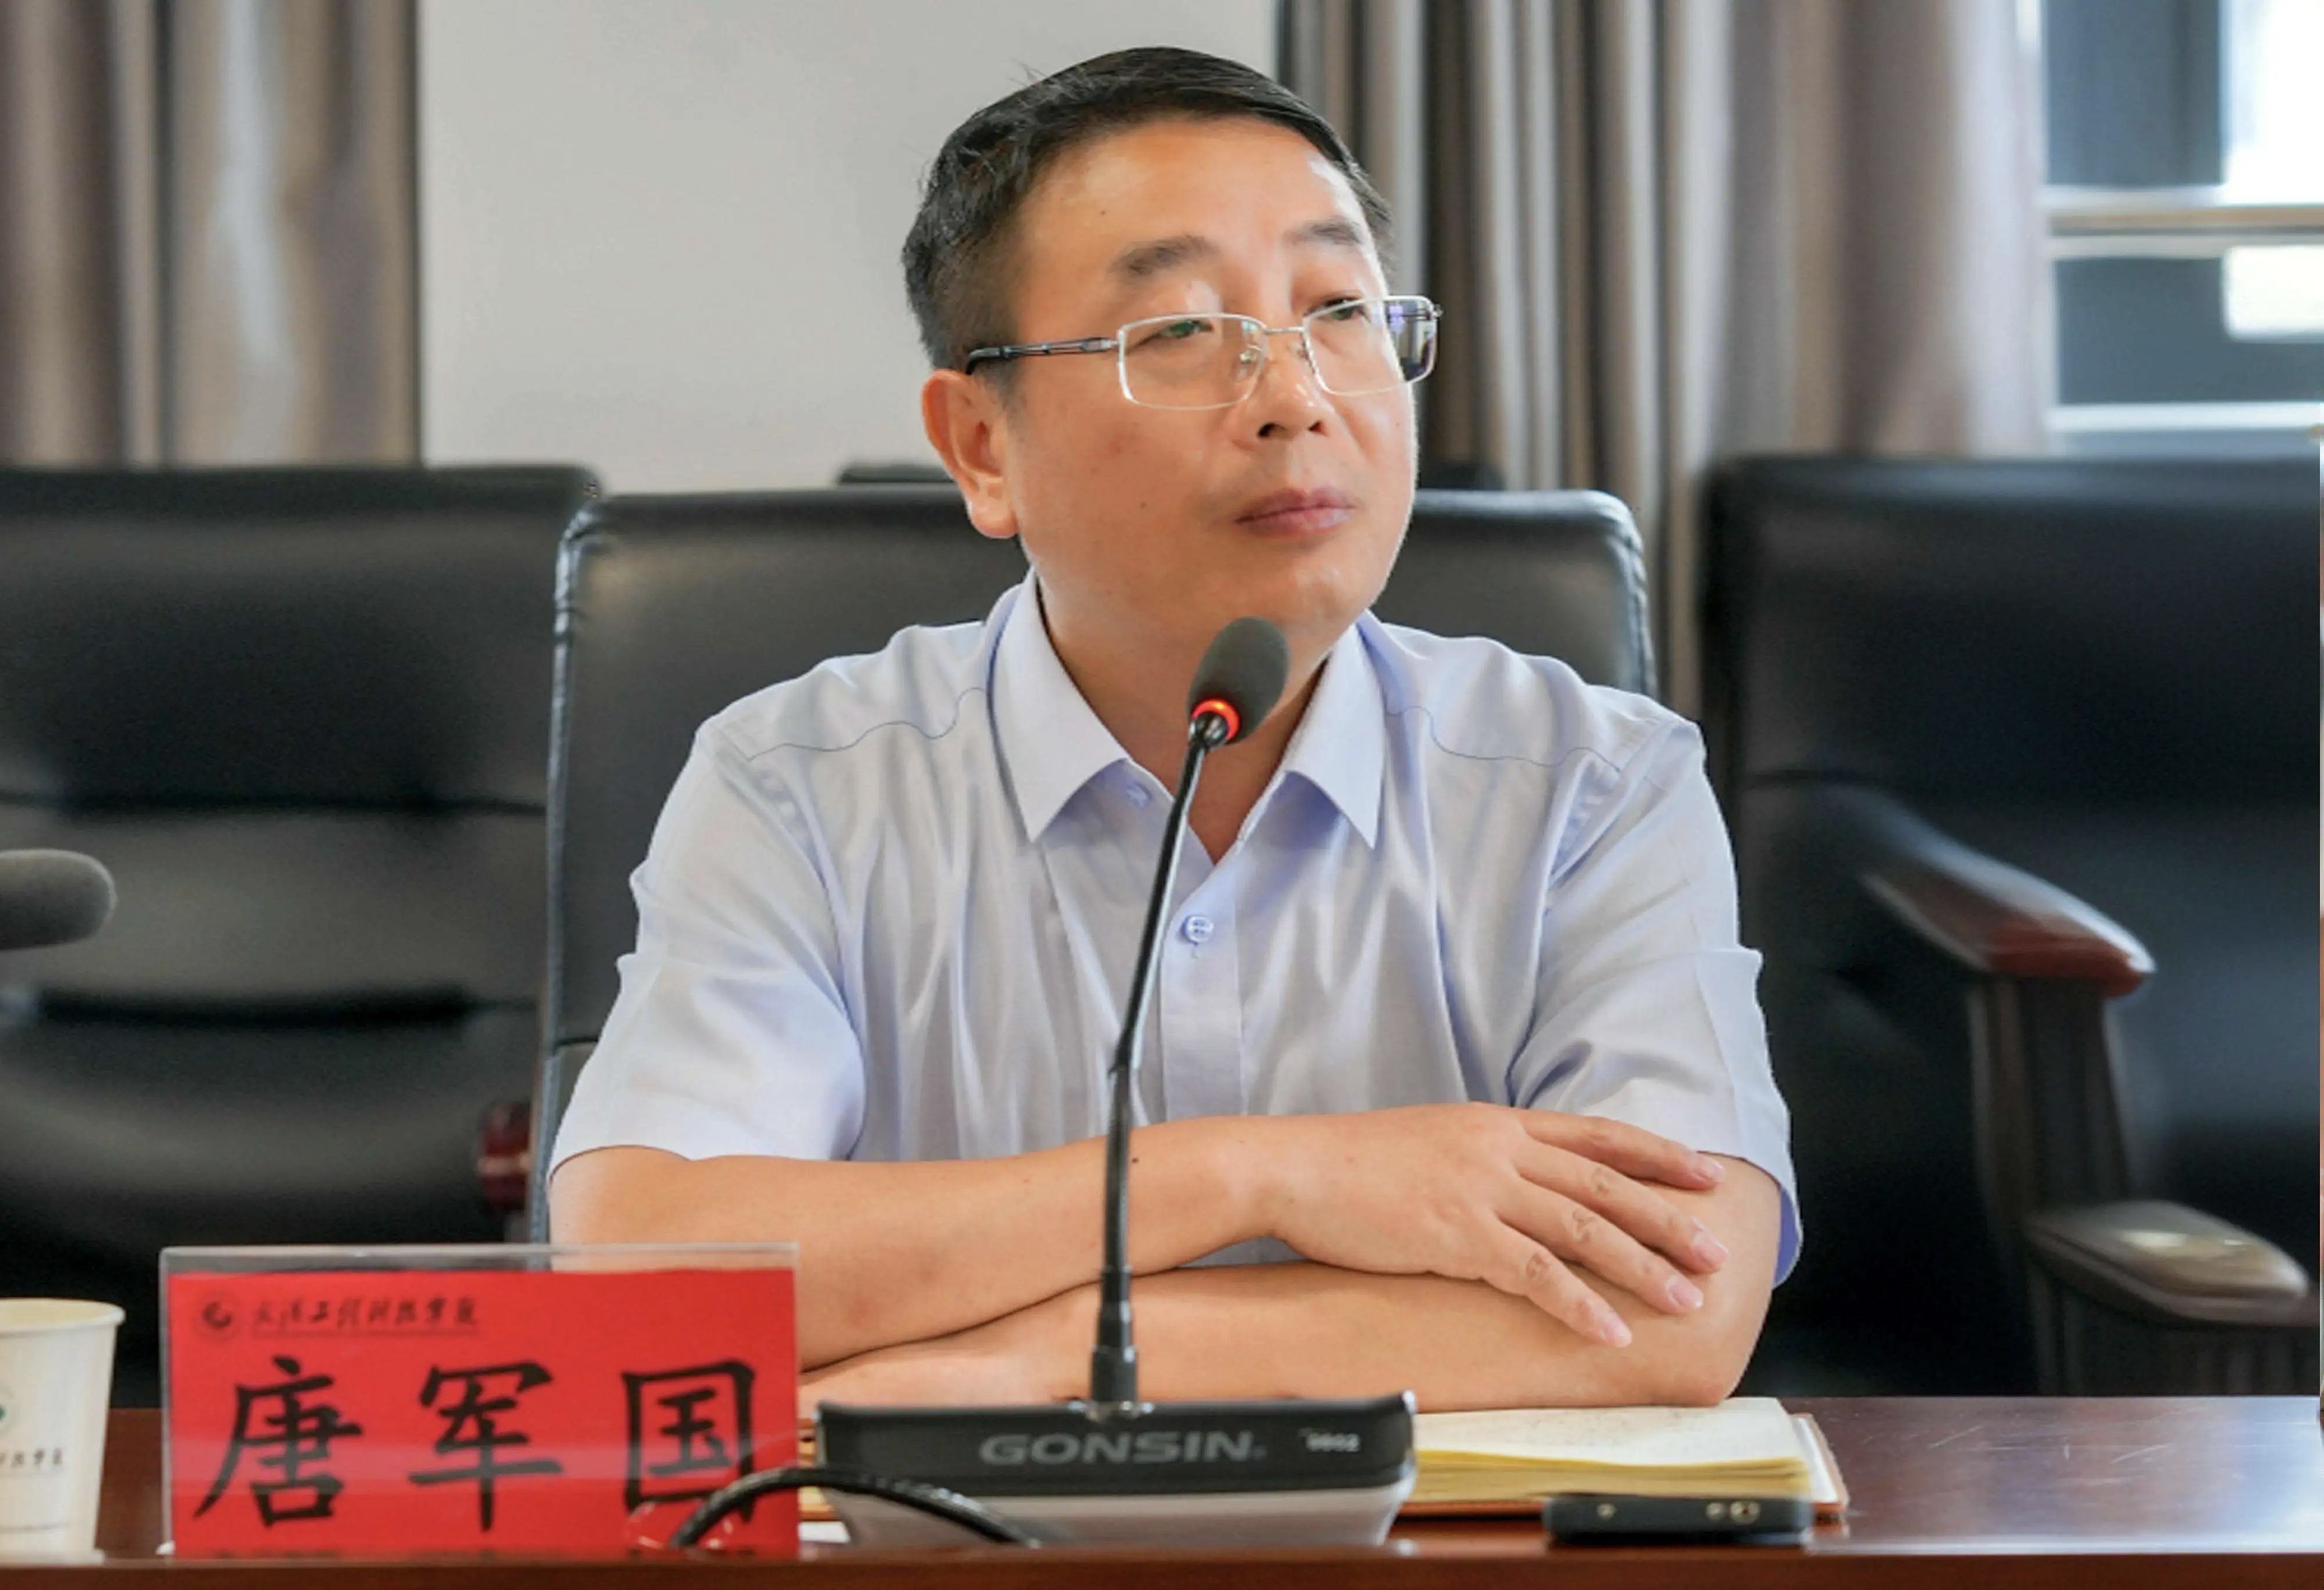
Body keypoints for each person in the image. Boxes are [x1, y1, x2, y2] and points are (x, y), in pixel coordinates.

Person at [549, 46, 1796, 1412]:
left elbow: (1671, 1303)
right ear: (981, 448)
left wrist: (1043, 1358)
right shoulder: (800, 787)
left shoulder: (1590, 784)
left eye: (1338, 311)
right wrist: (1259, 1176)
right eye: (1177, 334)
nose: (1294, 397)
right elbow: (648, 1275)